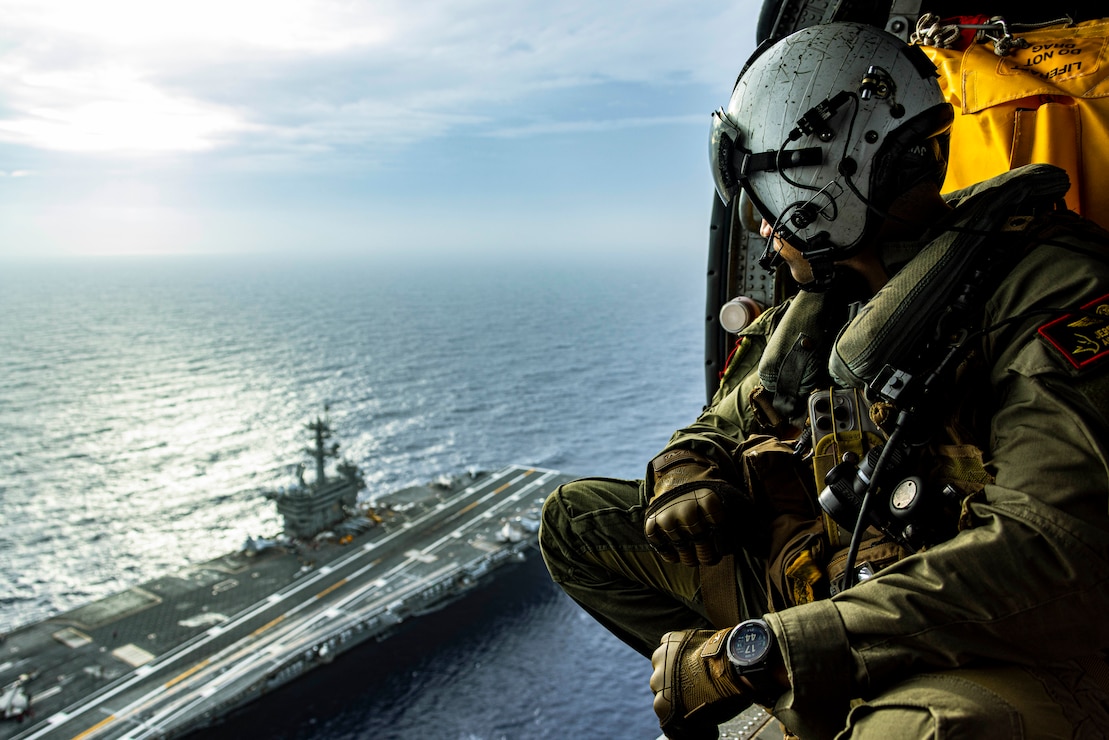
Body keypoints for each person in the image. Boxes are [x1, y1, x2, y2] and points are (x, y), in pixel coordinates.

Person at [539, 21, 1109, 740]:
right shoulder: (839, 293)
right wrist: (685, 468)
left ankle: (829, 693)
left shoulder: (1053, 290)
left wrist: (771, 650)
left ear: (822, 175)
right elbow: (730, 416)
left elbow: (1053, 554)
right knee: (575, 521)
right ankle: (812, 692)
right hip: (834, 575)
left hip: (1000, 628)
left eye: (763, 195)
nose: (763, 228)